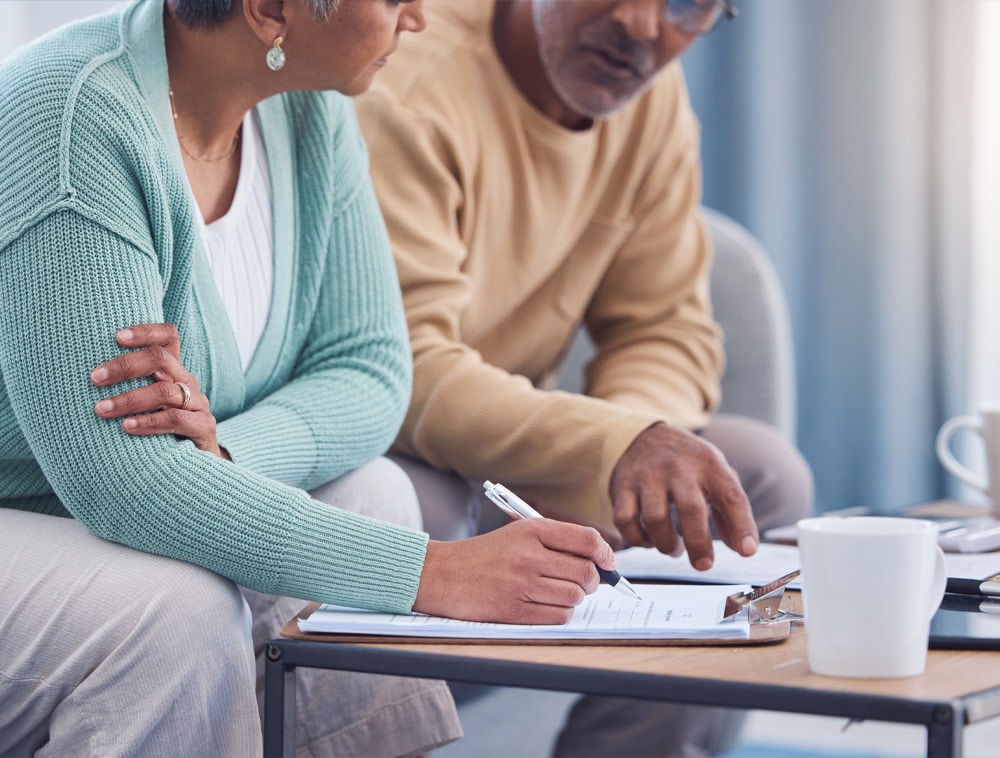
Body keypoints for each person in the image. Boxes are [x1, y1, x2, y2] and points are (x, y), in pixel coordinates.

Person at [0, 1, 621, 755]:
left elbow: (369, 369)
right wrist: (432, 573)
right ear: (268, 11)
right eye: (394, 0)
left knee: (379, 493)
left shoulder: (309, 114)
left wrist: (222, 454)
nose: (420, 18)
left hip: (107, 497)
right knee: (174, 614)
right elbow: (121, 482)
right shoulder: (70, 118)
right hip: (25, 512)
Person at [355, 0, 815, 755]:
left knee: (760, 477)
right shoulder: (408, 77)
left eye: (688, 5)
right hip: (404, 441)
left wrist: (626, 448)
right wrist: (613, 443)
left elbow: (663, 326)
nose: (642, 26)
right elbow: (403, 368)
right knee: (407, 502)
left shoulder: (651, 99)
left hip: (529, 446)